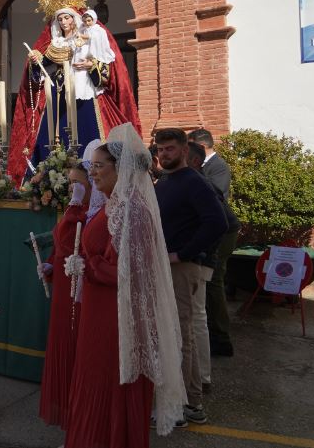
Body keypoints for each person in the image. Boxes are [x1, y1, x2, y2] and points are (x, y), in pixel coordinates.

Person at [64, 124, 186, 447]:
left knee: (107, 382)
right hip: (100, 311)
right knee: (94, 379)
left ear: (121, 168)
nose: (92, 173)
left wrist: (88, 266)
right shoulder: (115, 204)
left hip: (116, 319)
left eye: (98, 166)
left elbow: (131, 273)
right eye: (91, 166)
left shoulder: (133, 210)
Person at [8, 7, 141, 186]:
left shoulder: (86, 38)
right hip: (59, 96)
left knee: (87, 133)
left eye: (67, 18)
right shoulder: (56, 44)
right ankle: (49, 180)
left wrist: (91, 65)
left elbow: (106, 67)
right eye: (60, 19)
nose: (63, 22)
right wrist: (35, 62)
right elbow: (41, 69)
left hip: (83, 94)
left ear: (74, 19)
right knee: (53, 136)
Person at [154, 128, 228, 425]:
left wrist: (183, 254)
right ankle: (192, 403)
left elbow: (217, 223)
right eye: (160, 149)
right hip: (167, 267)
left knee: (181, 336)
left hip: (182, 269)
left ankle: (182, 406)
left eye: (170, 149)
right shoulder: (165, 182)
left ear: (185, 150)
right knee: (179, 335)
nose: (164, 154)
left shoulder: (194, 182)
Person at [37, 158, 91, 429]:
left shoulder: (85, 214)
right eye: (70, 183)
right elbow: (60, 244)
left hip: (77, 291)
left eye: (77, 183)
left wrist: (75, 204)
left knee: (74, 345)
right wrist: (49, 264)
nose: (72, 188)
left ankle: (78, 416)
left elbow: (72, 241)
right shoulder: (74, 211)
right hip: (62, 286)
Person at [186, 142, 241, 392]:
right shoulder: (188, 179)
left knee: (211, 285)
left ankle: (220, 339)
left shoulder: (200, 181)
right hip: (205, 248)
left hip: (213, 245)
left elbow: (217, 222)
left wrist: (201, 256)